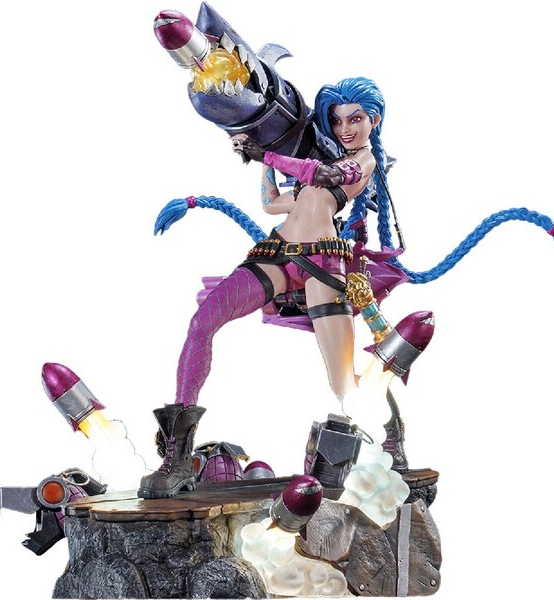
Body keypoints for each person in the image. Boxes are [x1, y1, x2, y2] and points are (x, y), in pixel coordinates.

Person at [138, 77, 408, 498]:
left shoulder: (365, 162)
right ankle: (178, 456)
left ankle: (391, 438)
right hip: (277, 252)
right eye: (337, 120)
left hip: (323, 265)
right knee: (203, 321)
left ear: (373, 120)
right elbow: (272, 203)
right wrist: (264, 152)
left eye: (355, 119)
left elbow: (325, 174)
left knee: (343, 384)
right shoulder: (319, 156)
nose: (345, 129)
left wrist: (266, 153)